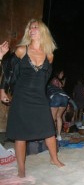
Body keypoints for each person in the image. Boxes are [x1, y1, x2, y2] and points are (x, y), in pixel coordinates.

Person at [0, 19, 64, 177]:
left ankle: (54, 159)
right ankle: (21, 169)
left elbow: (46, 77)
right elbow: (8, 71)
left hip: (39, 97)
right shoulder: (22, 50)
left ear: (42, 31)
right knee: (21, 134)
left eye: (35, 27)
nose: (32, 29)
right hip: (22, 96)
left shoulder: (49, 55)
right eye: (30, 28)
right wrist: (2, 90)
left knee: (49, 128)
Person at [47, 70, 70, 141]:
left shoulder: (50, 80)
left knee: (53, 118)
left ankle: (52, 135)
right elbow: (61, 87)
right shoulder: (56, 80)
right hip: (65, 97)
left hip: (56, 96)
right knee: (59, 116)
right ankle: (59, 135)